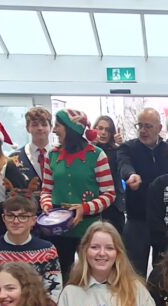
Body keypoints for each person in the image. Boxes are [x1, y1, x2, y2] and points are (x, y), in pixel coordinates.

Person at [39, 108, 117, 275]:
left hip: (88, 229)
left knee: (92, 274)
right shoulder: (51, 155)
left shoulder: (97, 155)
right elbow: (46, 189)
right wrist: (46, 205)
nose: (54, 130)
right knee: (61, 275)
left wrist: (85, 208)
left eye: (58, 125)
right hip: (58, 230)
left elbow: (109, 194)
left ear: (71, 129)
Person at [117, 108, 168, 273]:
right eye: (140, 126)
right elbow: (124, 164)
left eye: (148, 126)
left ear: (159, 128)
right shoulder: (127, 148)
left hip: (164, 223)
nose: (143, 130)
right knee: (133, 273)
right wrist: (130, 175)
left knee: (164, 272)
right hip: (137, 221)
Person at [0, 194, 63, 303]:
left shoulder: (47, 250)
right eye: (10, 216)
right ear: (3, 218)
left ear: (34, 220)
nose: (16, 221)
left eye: (23, 216)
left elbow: (53, 291)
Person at [92, 116, 127, 232]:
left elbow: (125, 166)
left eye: (107, 130)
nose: (103, 133)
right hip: (93, 203)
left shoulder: (117, 151)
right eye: (100, 128)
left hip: (114, 205)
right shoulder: (88, 152)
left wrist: (122, 146)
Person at [9, 106, 55, 185]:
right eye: (35, 125)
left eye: (44, 124)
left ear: (51, 127)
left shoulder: (60, 154)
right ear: (27, 128)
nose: (40, 128)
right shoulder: (14, 158)